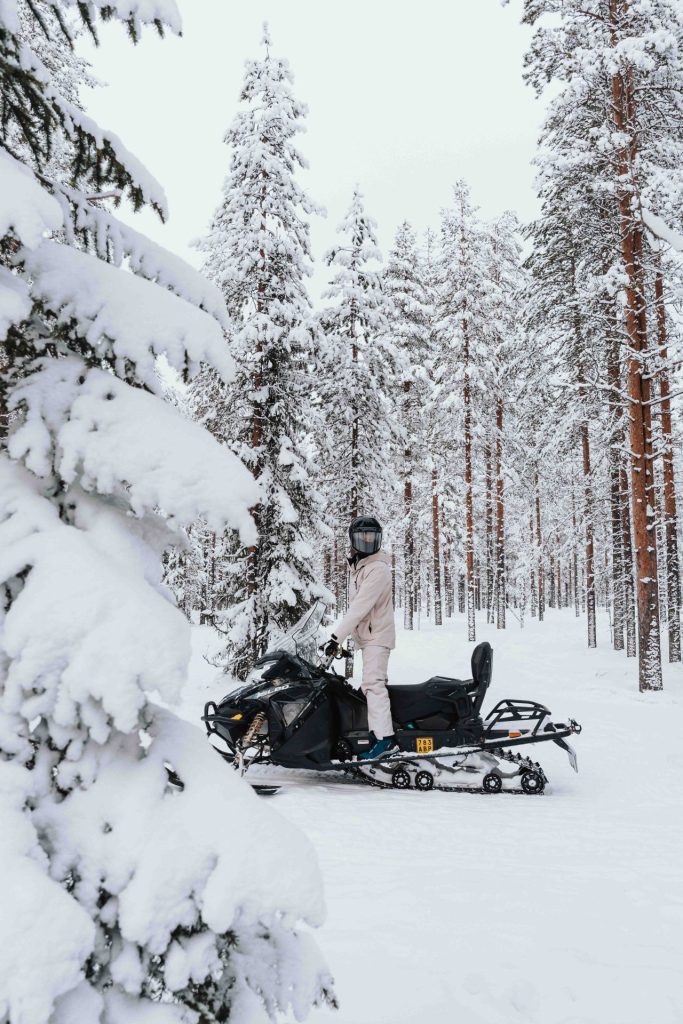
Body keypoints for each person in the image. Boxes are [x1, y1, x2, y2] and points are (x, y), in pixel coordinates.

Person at [322, 515, 397, 760]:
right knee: (368, 686)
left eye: (371, 537)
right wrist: (344, 644)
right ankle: (374, 732)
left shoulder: (378, 569)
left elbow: (360, 607)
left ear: (378, 540)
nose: (367, 541)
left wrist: (336, 637)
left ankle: (385, 740)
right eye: (362, 537)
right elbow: (359, 611)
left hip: (378, 638)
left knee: (373, 685)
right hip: (369, 636)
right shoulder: (362, 567)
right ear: (353, 540)